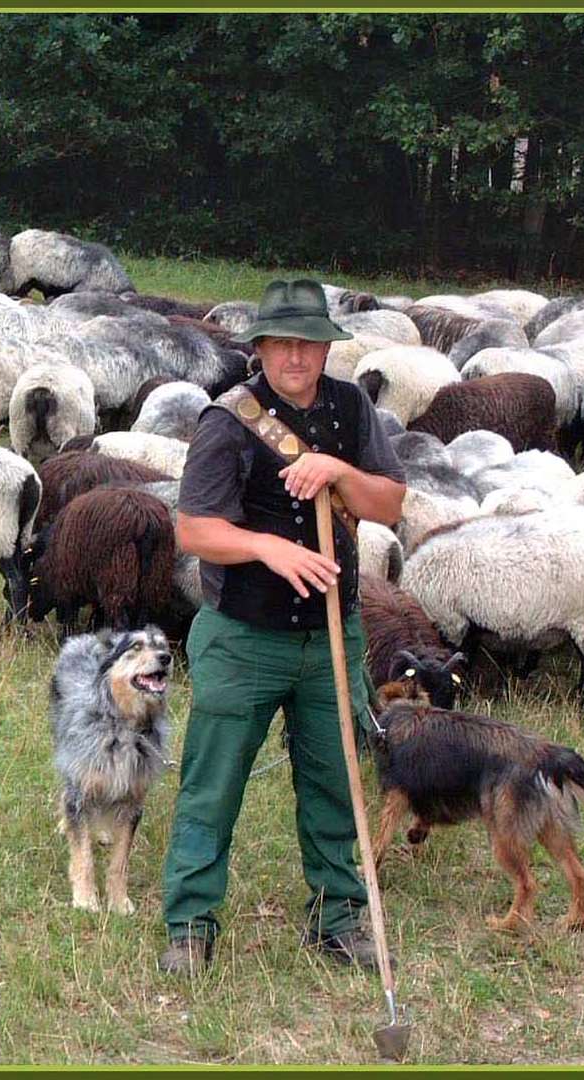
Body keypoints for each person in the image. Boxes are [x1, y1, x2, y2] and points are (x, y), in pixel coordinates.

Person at [158, 278, 407, 977]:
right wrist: (268, 546)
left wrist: (336, 471)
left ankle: (336, 919)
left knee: (334, 783)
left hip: (330, 633)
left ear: (324, 347)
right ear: (260, 347)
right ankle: (189, 923)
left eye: (308, 343)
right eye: (281, 343)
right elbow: (195, 529)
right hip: (243, 637)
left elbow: (388, 501)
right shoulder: (228, 420)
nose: (295, 356)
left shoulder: (350, 407)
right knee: (214, 785)